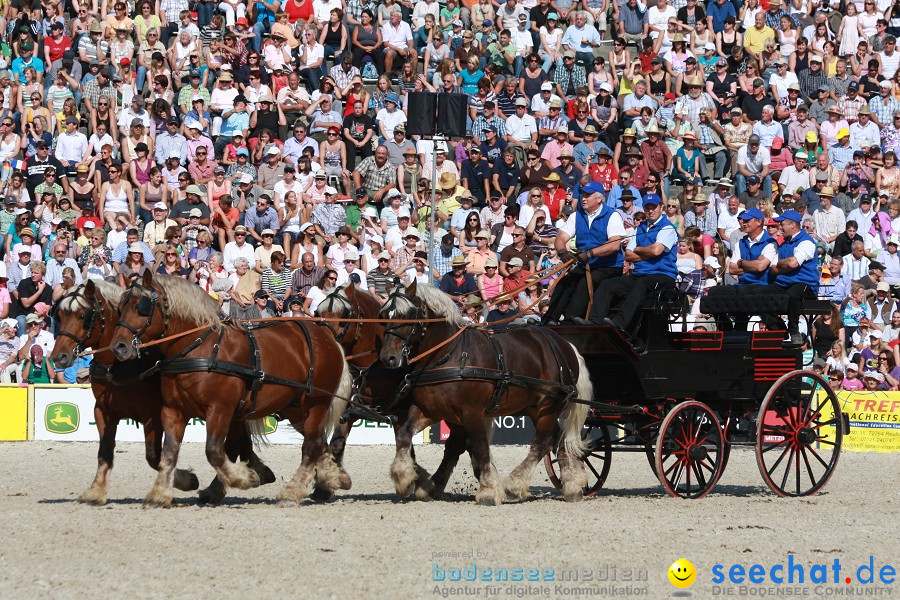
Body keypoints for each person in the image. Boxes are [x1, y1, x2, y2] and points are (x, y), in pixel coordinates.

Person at [592, 194, 678, 332]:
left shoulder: (667, 227)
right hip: (640, 274)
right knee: (608, 284)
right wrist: (646, 252)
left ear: (661, 207)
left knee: (642, 284)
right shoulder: (640, 228)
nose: (651, 211)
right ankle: (594, 323)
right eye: (647, 208)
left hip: (663, 275)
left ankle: (619, 324)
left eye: (654, 207)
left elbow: (656, 250)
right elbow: (628, 254)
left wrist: (638, 249)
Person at [545, 181, 625, 325]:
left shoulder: (612, 215)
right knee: (565, 282)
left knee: (585, 283)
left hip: (609, 266)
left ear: (599, 199)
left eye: (588, 195)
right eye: (582, 194)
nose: (583, 198)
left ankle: (570, 320)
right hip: (585, 263)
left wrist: (589, 254)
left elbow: (614, 245)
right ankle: (549, 320)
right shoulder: (577, 216)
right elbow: (561, 237)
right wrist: (562, 251)